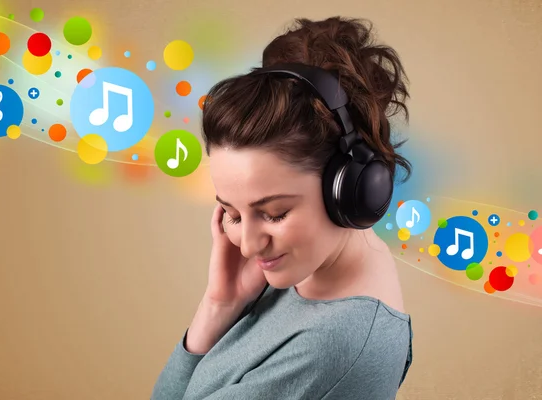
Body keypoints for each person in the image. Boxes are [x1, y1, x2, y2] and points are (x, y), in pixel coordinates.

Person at [151, 16, 413, 400]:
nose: (248, 247)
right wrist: (218, 305)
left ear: (352, 192)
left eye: (273, 213)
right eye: (233, 215)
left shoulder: (328, 349)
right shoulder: (311, 263)